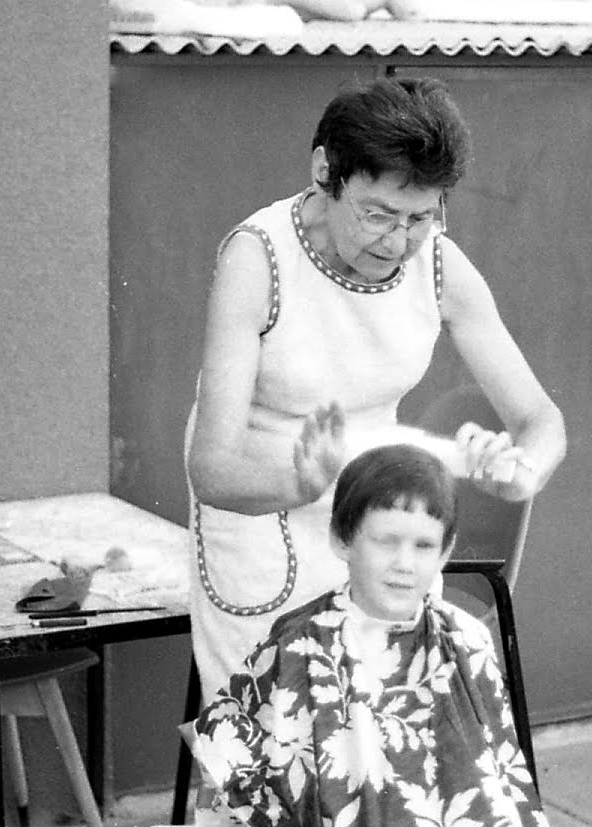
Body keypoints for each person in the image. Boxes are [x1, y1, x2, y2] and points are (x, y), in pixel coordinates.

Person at [185, 76, 566, 705]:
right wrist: (302, 483)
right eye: (378, 214)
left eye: (421, 218)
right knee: (275, 727)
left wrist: (520, 475)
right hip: (262, 509)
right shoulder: (258, 260)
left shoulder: (438, 264)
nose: (397, 241)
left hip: (376, 510)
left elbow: (540, 419)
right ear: (324, 172)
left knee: (392, 716)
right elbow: (212, 471)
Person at [189, 444, 576, 827]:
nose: (403, 564)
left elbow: (499, 775)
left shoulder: (464, 640)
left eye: (423, 545)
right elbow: (235, 749)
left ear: (445, 553)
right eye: (385, 541)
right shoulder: (304, 643)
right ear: (342, 539)